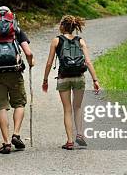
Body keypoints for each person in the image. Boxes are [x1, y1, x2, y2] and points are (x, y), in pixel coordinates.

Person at [0, 6, 34, 154]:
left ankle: (6, 142)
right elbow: (28, 52)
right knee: (20, 103)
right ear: (11, 16)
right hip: (15, 72)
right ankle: (16, 134)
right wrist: (30, 62)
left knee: (1, 107)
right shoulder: (16, 29)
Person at [42, 15, 100, 150]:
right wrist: (95, 80)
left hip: (64, 78)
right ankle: (79, 135)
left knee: (67, 109)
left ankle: (69, 141)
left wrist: (45, 80)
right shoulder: (80, 41)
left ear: (62, 26)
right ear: (74, 27)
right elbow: (88, 62)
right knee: (78, 107)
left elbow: (49, 62)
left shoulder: (56, 40)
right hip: (79, 77)